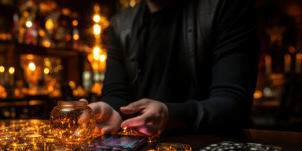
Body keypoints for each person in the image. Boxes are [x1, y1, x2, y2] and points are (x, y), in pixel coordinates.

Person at [87, 0, 260, 137]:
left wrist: (170, 115)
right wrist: (113, 111)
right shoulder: (120, 24)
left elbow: (233, 103)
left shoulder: (227, 5)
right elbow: (117, 94)